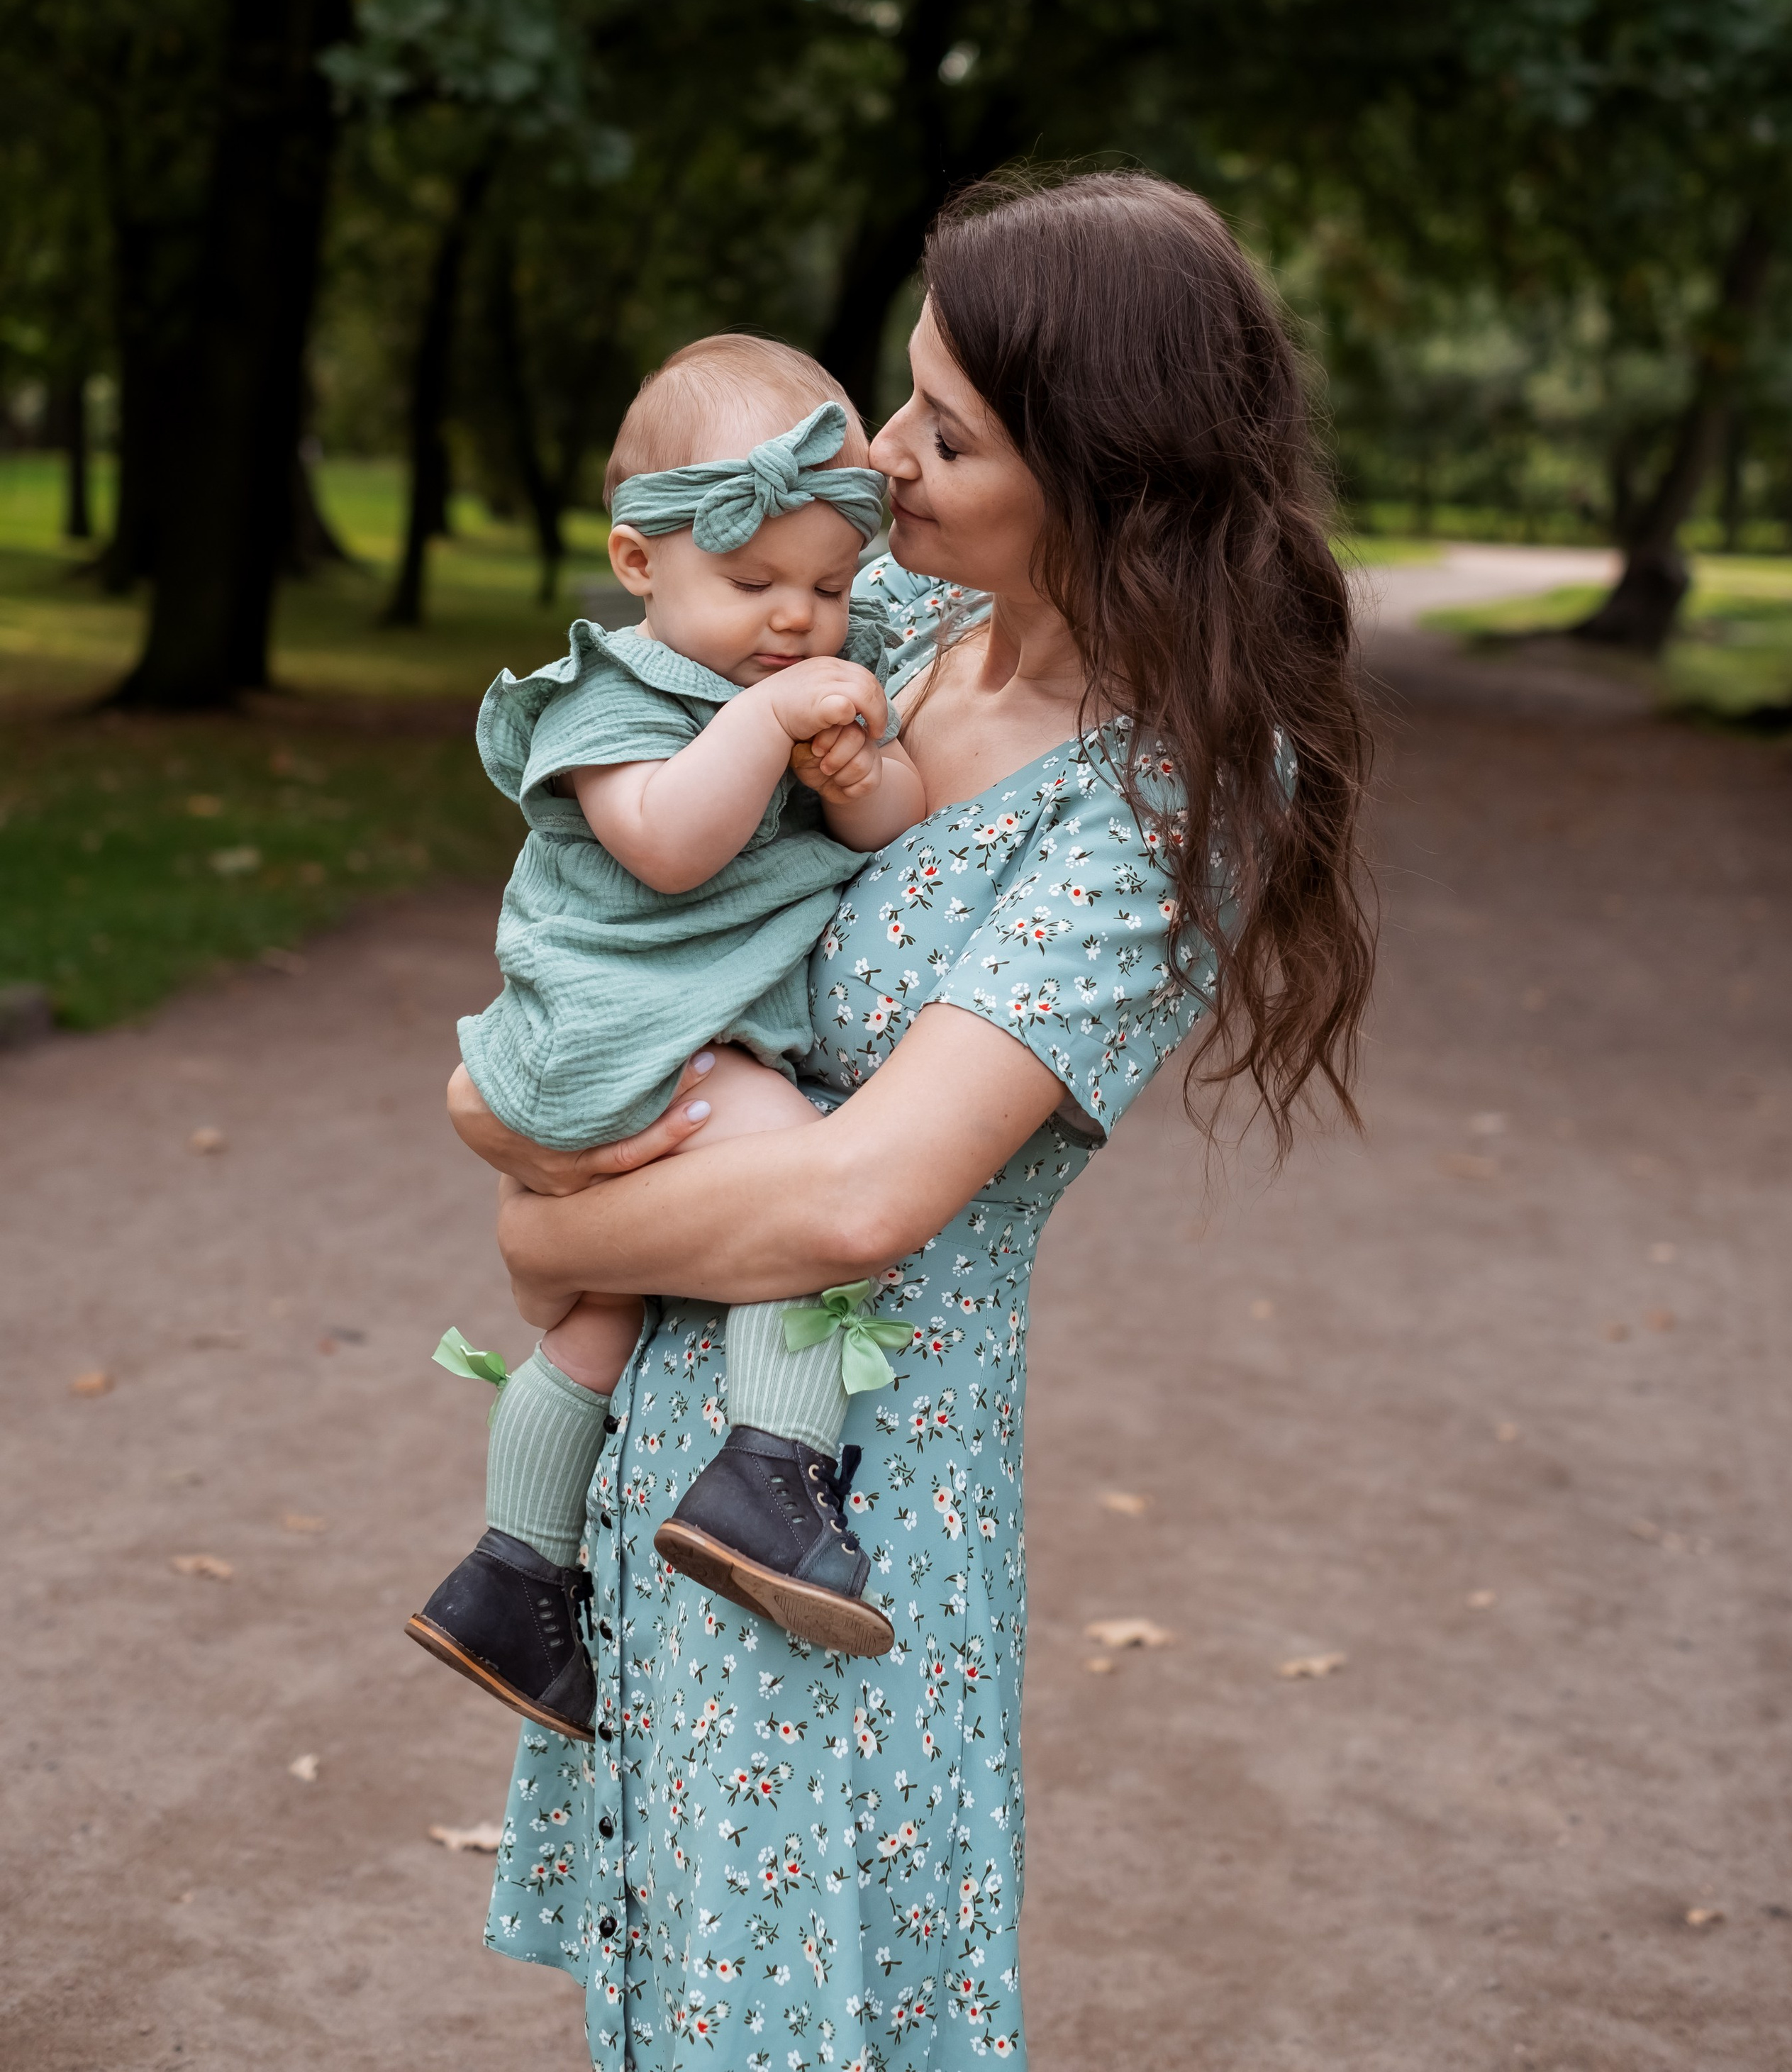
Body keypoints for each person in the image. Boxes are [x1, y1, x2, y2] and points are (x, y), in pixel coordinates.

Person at [447, 171, 1374, 2071]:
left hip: (845, 1495)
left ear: (1106, 474)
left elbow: (871, 1193)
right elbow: (605, 894)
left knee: (797, 2008)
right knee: (675, 1986)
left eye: (944, 432)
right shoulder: (893, 614)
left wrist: (547, 1232)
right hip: (653, 1445)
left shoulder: (1177, 796)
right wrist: (498, 1093)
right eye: (902, 395)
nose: (878, 456)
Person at [411, 338, 935, 1742]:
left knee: (595, 1324)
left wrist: (859, 766)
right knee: (798, 1191)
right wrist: (767, 724)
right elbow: (669, 852)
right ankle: (771, 1476)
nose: (797, 623)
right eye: (754, 585)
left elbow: (892, 823)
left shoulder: (817, 673)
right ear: (639, 566)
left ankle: (512, 1577)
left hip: (663, 1041)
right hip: (617, 1029)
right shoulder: (606, 698)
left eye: (827, 589)